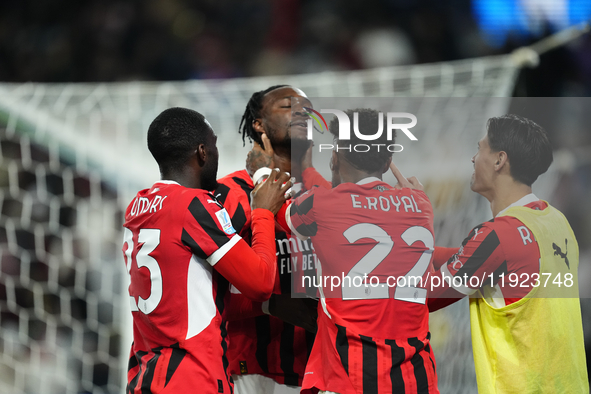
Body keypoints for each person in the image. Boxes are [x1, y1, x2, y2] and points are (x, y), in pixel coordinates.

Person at [122, 107, 292, 394]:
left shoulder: (137, 208)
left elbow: (193, 299)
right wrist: (262, 211)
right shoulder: (193, 205)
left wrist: (273, 307)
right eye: (213, 145)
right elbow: (261, 282)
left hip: (145, 376)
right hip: (191, 377)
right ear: (202, 152)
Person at [279, 108, 440, 394]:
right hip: (416, 380)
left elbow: (282, 215)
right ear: (389, 160)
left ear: (335, 155)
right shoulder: (422, 204)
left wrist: (305, 171)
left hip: (350, 378)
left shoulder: (320, 204)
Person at [426, 114, 589, 393]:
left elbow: (425, 295)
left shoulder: (498, 235)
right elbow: (485, 259)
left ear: (500, 160)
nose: (473, 159)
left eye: (480, 149)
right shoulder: (555, 222)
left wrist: (412, 221)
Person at [215, 86, 318, 394]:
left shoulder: (325, 194)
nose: (302, 112)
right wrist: (270, 305)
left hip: (323, 368)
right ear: (259, 124)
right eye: (288, 105)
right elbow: (205, 291)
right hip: (254, 372)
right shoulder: (231, 192)